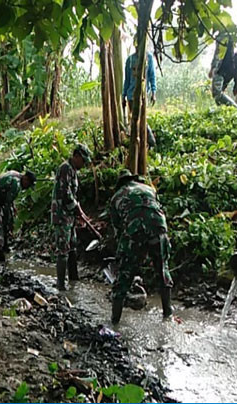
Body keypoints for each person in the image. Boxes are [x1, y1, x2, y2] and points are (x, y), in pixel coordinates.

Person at [108, 169, 173, 324]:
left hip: (134, 229)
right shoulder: (149, 189)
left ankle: (114, 321)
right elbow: (158, 209)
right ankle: (168, 314)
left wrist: (125, 253)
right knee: (162, 269)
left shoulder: (116, 197)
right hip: (159, 227)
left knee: (124, 276)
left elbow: (118, 229)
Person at [51, 143, 92, 291]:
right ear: (76, 156)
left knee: (72, 246)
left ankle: (73, 279)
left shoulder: (73, 171)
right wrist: (77, 208)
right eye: (83, 160)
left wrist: (78, 211)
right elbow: (65, 194)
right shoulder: (65, 169)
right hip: (61, 216)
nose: (84, 164)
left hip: (69, 216)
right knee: (63, 249)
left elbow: (72, 195)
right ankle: (61, 285)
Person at [0, 170, 37, 262]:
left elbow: (8, 200)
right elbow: (7, 206)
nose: (27, 188)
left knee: (8, 220)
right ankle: (0, 252)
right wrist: (7, 222)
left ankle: (5, 244)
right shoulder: (16, 184)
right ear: (26, 179)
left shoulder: (16, 175)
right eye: (28, 185)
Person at [121, 50, 157, 148]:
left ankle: (150, 142)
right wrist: (123, 96)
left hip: (143, 96)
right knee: (135, 120)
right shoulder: (130, 59)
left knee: (141, 119)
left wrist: (154, 92)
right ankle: (139, 144)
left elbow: (152, 76)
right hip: (131, 96)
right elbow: (127, 80)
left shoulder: (149, 58)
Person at [209, 36, 237, 107]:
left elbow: (236, 87)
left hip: (220, 76)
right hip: (220, 75)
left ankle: (235, 108)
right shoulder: (234, 61)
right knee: (218, 97)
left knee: (218, 97)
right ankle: (234, 108)